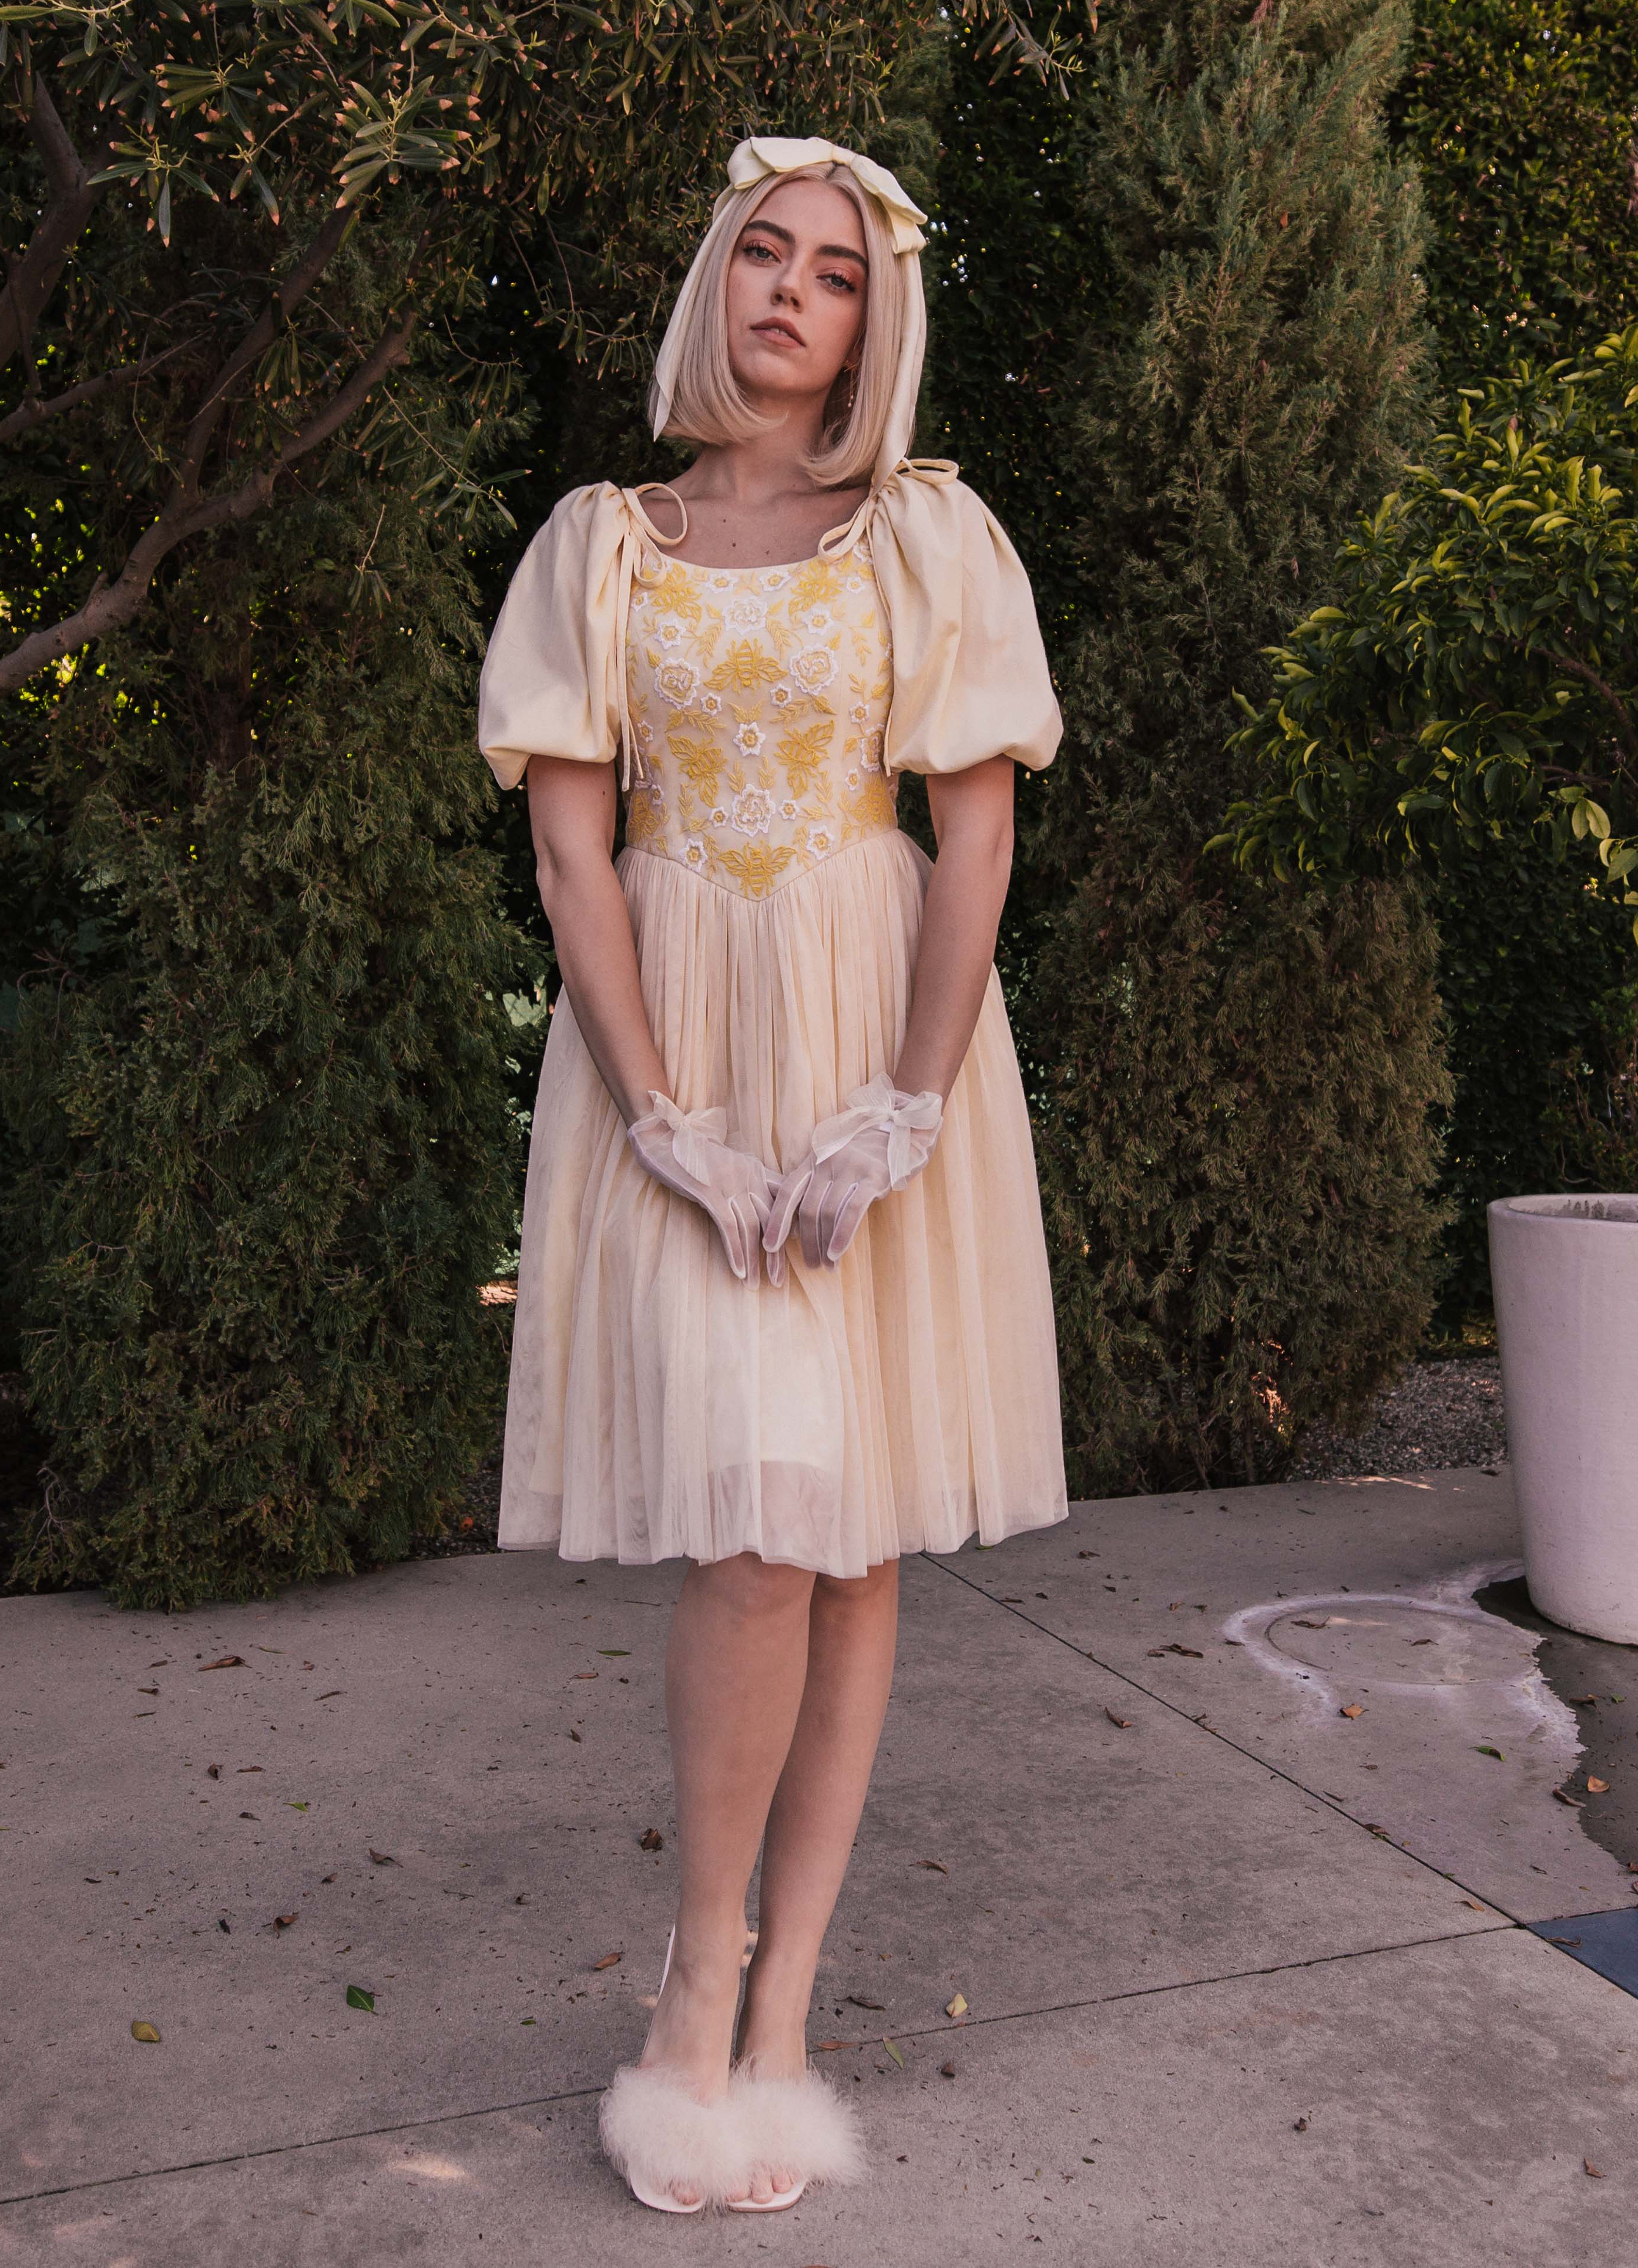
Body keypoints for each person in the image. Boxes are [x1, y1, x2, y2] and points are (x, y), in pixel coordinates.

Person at [476, 135, 1068, 2215]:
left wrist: (901, 1105)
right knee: (751, 1525)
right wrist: (662, 1115)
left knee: (847, 1530)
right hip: (680, 1052)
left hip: (871, 1041)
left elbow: (973, 832)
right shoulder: (597, 547)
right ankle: (693, 1983)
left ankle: (787, 2009)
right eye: (763, 252)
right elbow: (573, 852)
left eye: (832, 270)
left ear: (867, 323)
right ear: (714, 279)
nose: (791, 290)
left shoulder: (924, 533)